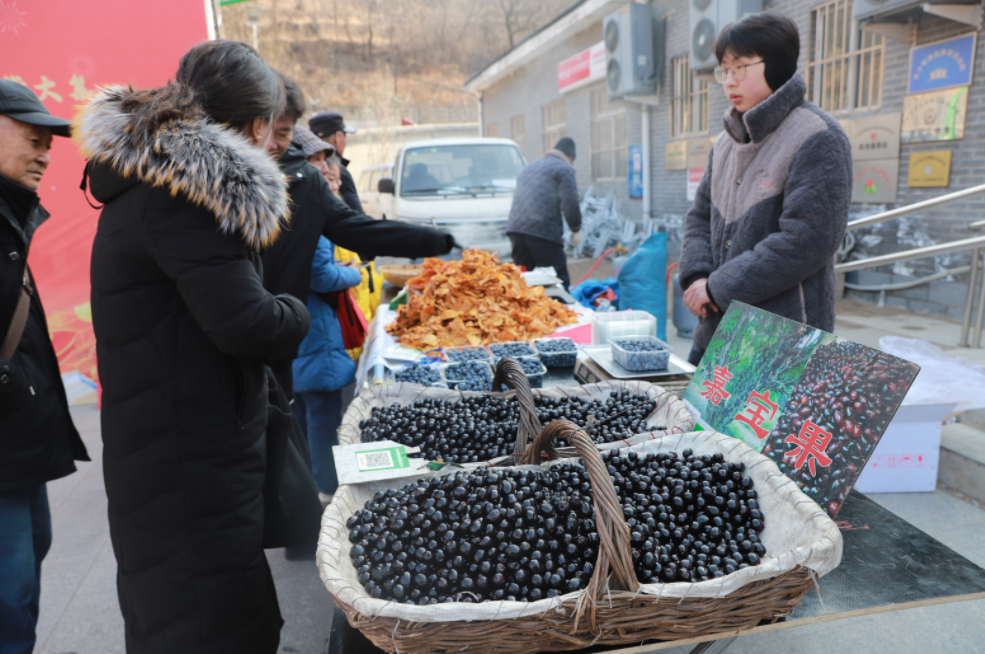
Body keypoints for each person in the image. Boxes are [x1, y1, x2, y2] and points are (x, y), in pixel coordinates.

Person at [77, 41, 311, 653]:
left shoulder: (150, 178)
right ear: (258, 126)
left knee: (185, 611)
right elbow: (248, 324)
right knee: (208, 622)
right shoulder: (187, 198)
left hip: (170, 442)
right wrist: (294, 310)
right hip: (187, 456)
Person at [263, 75, 454, 398]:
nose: (270, 143)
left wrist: (432, 240)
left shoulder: (306, 184)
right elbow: (321, 271)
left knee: (293, 420)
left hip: (289, 340)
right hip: (276, 338)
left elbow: (358, 229)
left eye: (283, 133)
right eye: (267, 131)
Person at [678, 12, 851, 366]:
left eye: (739, 67)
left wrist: (718, 286)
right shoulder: (724, 144)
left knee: (754, 423)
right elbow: (699, 216)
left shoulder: (817, 136)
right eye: (724, 70)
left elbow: (807, 240)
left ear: (777, 64)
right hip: (715, 330)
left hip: (780, 341)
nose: (729, 81)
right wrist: (698, 278)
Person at [0, 79, 90, 654]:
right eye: (30, 137)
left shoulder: (12, 217)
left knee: (29, 566)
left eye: (49, 142)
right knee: (10, 594)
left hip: (19, 441)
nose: (44, 153)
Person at [292, 236, 362, 505]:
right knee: (324, 419)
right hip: (315, 331)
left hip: (294, 327)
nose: (337, 190)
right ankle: (328, 490)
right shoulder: (312, 214)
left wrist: (334, 265)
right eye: (333, 188)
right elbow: (320, 275)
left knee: (301, 415)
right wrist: (352, 273)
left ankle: (308, 483)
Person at [506, 137, 582, 288]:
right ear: (569, 157)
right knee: (556, 281)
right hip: (542, 232)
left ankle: (525, 311)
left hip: (515, 230)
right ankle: (562, 310)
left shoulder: (531, 166)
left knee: (524, 281)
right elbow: (570, 202)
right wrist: (576, 229)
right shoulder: (564, 168)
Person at [308, 111, 362, 213]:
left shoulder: (305, 167)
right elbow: (358, 215)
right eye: (332, 179)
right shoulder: (338, 171)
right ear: (338, 138)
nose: (338, 184)